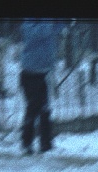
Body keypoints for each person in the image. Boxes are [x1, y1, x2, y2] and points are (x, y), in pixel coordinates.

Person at [19, 19, 63, 155]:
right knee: (33, 108)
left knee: (45, 109)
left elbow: (57, 28)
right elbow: (36, 33)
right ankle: (27, 143)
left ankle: (46, 144)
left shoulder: (46, 21)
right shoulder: (29, 21)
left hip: (44, 72)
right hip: (30, 72)